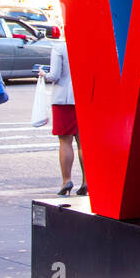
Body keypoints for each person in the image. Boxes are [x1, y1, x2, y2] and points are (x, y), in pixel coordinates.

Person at [40, 36, 86, 196]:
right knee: (83, 142)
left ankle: (66, 180)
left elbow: (54, 75)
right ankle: (87, 181)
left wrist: (43, 74)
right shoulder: (88, 45)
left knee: (65, 141)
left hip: (63, 98)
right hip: (85, 98)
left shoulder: (59, 48)